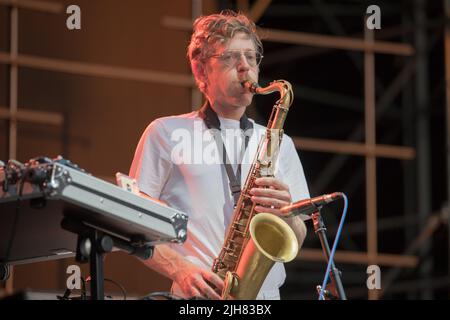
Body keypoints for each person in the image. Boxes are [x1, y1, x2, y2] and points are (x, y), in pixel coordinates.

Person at [129, 10, 310, 300]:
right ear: (201, 71)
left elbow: (298, 235)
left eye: (251, 58)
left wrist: (286, 214)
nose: (245, 68)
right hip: (198, 297)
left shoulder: (280, 142)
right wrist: (180, 270)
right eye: (230, 58)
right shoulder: (165, 132)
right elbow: (131, 223)